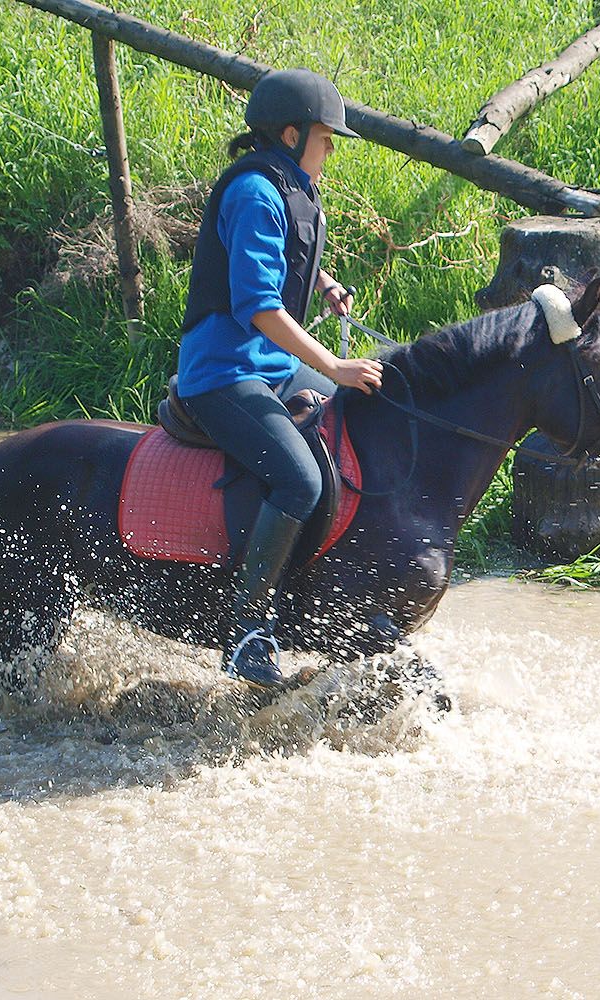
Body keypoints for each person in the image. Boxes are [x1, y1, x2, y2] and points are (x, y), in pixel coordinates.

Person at [175, 68, 382, 689]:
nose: (331, 152)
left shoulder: (292, 187)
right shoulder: (254, 193)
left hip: (270, 367)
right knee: (297, 478)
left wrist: (324, 283)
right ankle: (246, 631)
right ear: (290, 135)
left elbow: (286, 259)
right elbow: (260, 308)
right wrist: (334, 366)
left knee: (352, 429)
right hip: (223, 373)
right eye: (325, 139)